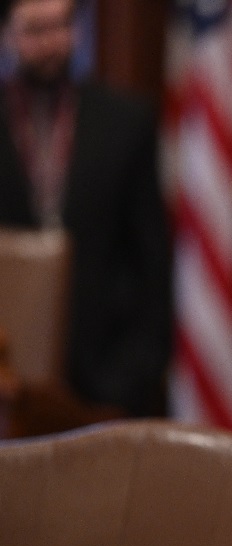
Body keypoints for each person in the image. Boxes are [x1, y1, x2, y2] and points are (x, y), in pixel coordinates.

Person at [0, 0, 172, 416]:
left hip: (103, 379)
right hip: (8, 375)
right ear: (7, 35)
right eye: (35, 30)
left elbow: (152, 260)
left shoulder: (126, 119)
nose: (51, 43)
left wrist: (130, 378)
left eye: (61, 26)